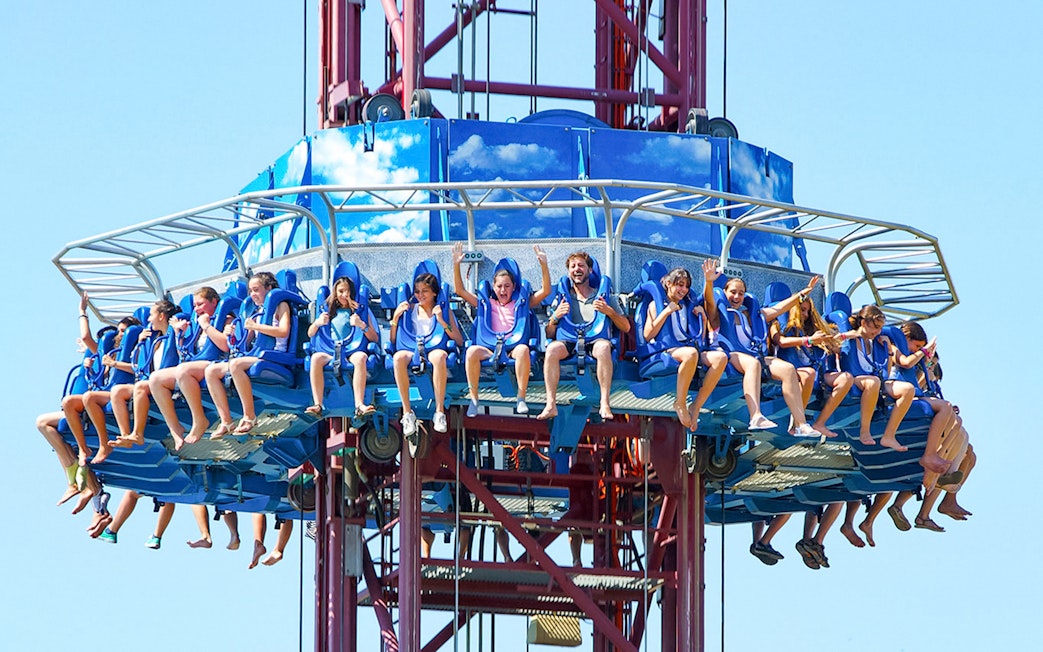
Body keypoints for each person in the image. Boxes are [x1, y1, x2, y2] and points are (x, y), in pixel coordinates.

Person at [709, 274, 820, 436]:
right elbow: (708, 300)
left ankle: (800, 424)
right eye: (733, 292)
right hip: (730, 355)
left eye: (741, 293)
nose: (737, 296)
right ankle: (756, 416)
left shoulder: (753, 315)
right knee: (753, 364)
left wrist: (803, 293)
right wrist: (708, 281)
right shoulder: (719, 313)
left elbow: (780, 308)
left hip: (753, 356)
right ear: (725, 292)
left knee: (788, 369)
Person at [451, 242, 552, 416]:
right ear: (493, 287)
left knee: (522, 350)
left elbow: (546, 291)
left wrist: (544, 265)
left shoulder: (520, 303)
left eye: (507, 286)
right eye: (499, 286)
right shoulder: (486, 303)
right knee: (471, 352)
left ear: (513, 287)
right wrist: (456, 265)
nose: (503, 290)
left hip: (512, 347)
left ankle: (521, 398)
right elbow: (460, 291)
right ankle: (474, 399)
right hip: (490, 348)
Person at [83, 299, 179, 463]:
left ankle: (138, 434)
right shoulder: (152, 339)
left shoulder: (173, 333)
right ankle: (126, 435)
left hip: (167, 380)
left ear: (162, 316)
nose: (148, 320)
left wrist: (179, 331)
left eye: (151, 315)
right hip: (152, 380)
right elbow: (140, 364)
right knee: (117, 390)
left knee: (140, 386)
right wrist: (140, 342)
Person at [538, 251, 631, 421]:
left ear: (589, 270)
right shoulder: (561, 299)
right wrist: (555, 317)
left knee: (603, 348)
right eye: (573, 266)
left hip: (595, 340)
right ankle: (551, 404)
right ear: (568, 272)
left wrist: (609, 311)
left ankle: (604, 402)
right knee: (551, 349)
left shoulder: (604, 296)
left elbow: (626, 327)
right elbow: (549, 333)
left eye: (581, 265)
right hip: (569, 340)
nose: (577, 269)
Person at [201, 272, 292, 441]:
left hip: (275, 356)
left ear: (269, 288)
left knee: (236, 365)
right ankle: (226, 421)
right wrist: (232, 333)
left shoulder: (281, 306)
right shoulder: (258, 311)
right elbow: (245, 341)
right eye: (250, 291)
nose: (252, 295)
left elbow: (283, 330)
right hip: (256, 354)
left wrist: (257, 326)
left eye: (256, 290)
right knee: (211, 371)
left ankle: (249, 416)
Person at [641, 259, 727, 429]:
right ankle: (680, 402)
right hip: (665, 349)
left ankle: (696, 405)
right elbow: (648, 335)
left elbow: (699, 336)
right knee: (690, 354)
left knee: (721, 358)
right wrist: (665, 312)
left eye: (686, 286)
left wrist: (702, 317)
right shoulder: (655, 305)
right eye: (679, 285)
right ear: (668, 284)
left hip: (689, 348)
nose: (683, 290)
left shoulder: (687, 306)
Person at [150, 286, 231, 450]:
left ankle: (199, 419)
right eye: (195, 305)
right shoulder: (197, 324)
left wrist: (207, 326)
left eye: (200, 304)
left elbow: (225, 346)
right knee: (156, 379)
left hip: (217, 363)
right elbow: (185, 354)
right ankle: (175, 428)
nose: (196, 309)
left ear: (214, 302)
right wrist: (180, 334)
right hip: (197, 364)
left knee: (183, 370)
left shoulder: (225, 319)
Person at [390, 271, 464, 436]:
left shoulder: (443, 311)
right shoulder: (410, 310)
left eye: (425, 291)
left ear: (434, 292)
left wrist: (442, 322)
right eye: (417, 291)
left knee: (439, 357)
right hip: (411, 348)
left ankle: (439, 412)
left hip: (433, 348)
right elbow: (394, 340)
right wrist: (395, 318)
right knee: (398, 358)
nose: (420, 295)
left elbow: (458, 340)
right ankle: (407, 413)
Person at [770, 291, 850, 438]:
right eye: (802, 310)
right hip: (792, 370)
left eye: (807, 311)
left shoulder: (813, 329)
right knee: (808, 374)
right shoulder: (778, 324)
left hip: (817, 372)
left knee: (846, 378)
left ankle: (819, 423)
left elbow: (838, 346)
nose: (805, 314)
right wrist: (809, 340)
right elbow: (780, 341)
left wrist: (833, 340)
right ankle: (798, 422)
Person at [305, 274, 380, 419]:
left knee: (361, 358)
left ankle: (359, 404)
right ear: (335, 293)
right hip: (330, 350)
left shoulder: (362, 311)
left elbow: (374, 337)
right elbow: (310, 333)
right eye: (340, 291)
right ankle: (318, 404)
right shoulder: (327, 312)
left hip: (352, 350)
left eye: (347, 291)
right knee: (315, 358)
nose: (344, 295)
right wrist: (317, 323)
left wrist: (361, 325)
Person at [836, 305, 899, 448]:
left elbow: (886, 372)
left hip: (873, 379)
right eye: (875, 327)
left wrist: (889, 350)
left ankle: (890, 433)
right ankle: (865, 429)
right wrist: (846, 336)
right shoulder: (851, 337)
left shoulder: (874, 342)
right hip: (854, 377)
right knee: (873, 382)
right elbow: (830, 343)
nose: (877, 331)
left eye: (880, 328)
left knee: (907, 389)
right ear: (863, 323)